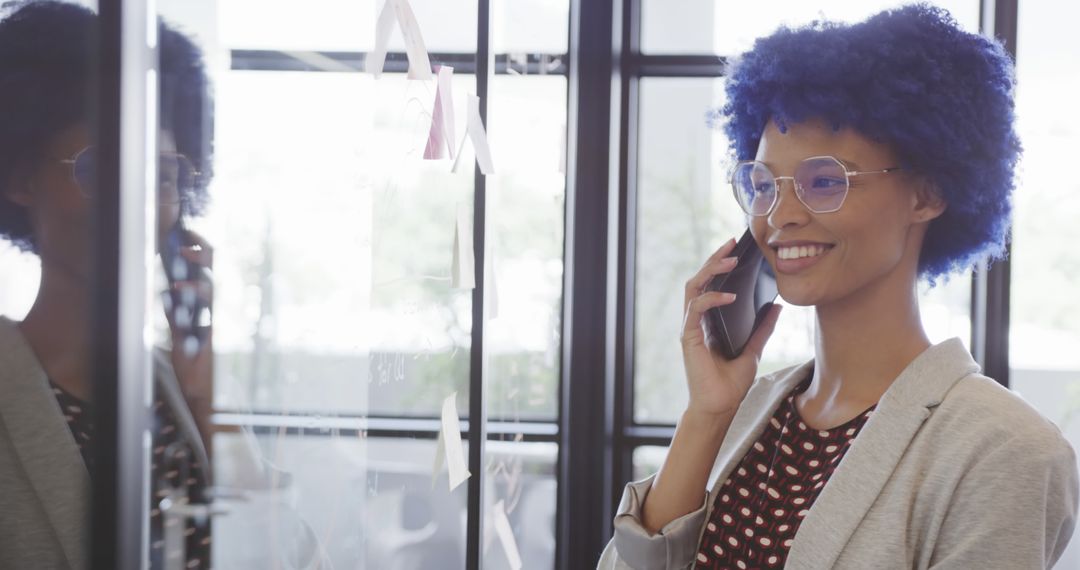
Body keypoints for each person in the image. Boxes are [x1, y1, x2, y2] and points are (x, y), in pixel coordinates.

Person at [598, 4, 1078, 569]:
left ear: (926, 195)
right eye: (763, 184)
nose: (780, 216)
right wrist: (705, 416)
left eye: (824, 181)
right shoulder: (748, 410)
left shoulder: (1005, 449)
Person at [0, 2, 215, 568]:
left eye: (162, 175)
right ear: (21, 178)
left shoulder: (173, 389)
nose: (136, 201)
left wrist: (201, 395)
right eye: (100, 168)